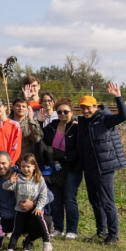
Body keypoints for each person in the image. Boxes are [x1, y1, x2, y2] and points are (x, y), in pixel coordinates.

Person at [76, 83, 126, 245]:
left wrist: (118, 97)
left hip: (104, 169)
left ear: (95, 106)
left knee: (107, 202)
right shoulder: (83, 123)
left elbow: (123, 116)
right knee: (94, 201)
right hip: (89, 168)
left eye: (88, 108)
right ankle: (101, 231)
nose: (85, 111)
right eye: (82, 108)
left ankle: (113, 235)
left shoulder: (105, 119)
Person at [41, 98, 80, 239]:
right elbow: (41, 139)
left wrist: (62, 158)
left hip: (71, 168)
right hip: (54, 169)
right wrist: (39, 122)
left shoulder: (76, 127)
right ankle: (58, 228)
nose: (62, 114)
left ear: (72, 112)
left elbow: (78, 149)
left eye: (66, 111)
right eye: (59, 112)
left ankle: (72, 230)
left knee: (69, 199)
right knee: (56, 199)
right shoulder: (51, 126)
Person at [4, 154, 52, 251]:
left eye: (28, 166)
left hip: (34, 208)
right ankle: (10, 249)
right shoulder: (18, 178)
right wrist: (9, 182)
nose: (25, 169)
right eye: (23, 166)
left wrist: (38, 207)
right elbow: (5, 187)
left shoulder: (40, 179)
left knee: (41, 220)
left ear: (34, 166)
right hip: (20, 209)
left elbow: (44, 195)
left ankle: (47, 243)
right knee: (17, 229)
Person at [11, 97, 43, 167]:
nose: (21, 108)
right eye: (18, 106)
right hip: (10, 159)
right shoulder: (8, 122)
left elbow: (36, 138)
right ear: (13, 107)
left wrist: (30, 120)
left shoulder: (32, 122)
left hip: (26, 162)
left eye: (23, 106)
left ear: (27, 109)